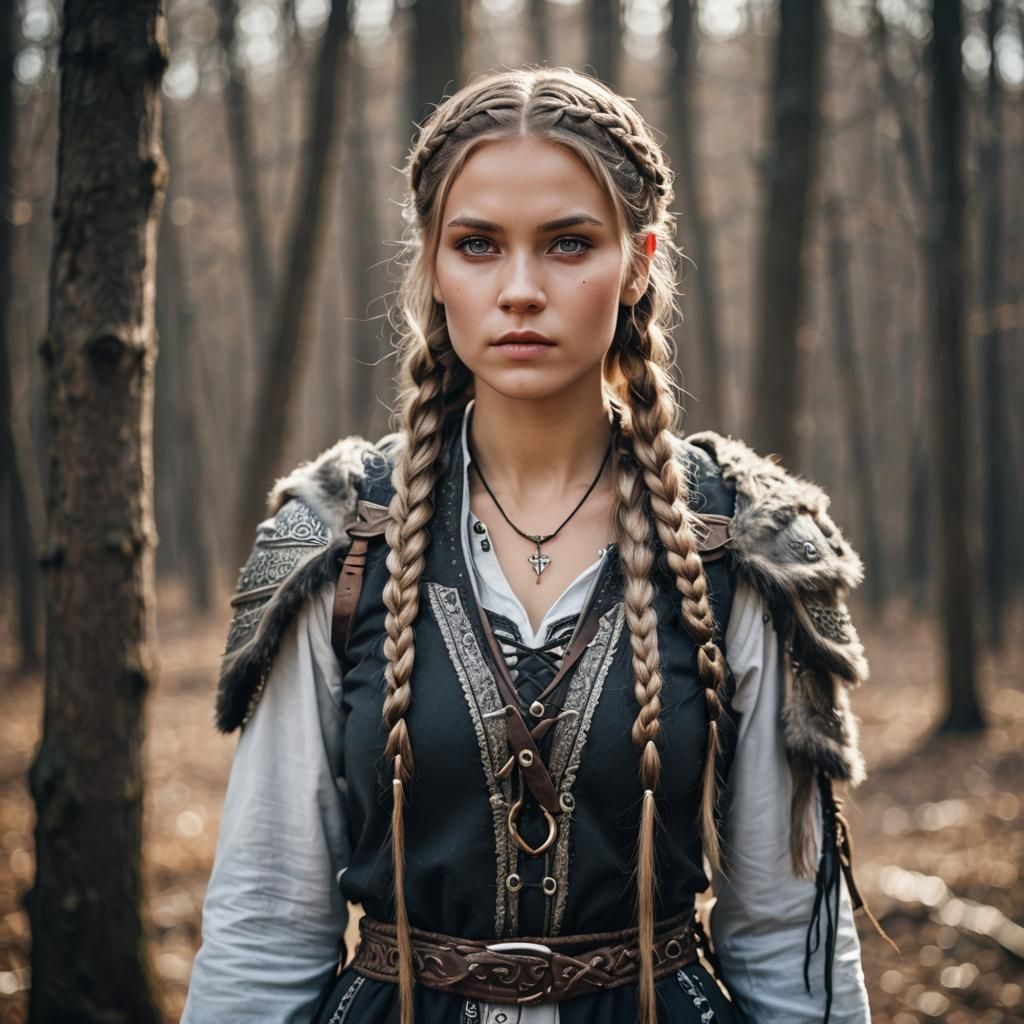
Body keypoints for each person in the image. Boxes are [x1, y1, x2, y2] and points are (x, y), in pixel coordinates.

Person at [182, 66, 878, 1024]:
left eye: (567, 244)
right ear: (431, 263)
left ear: (639, 261)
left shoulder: (744, 547)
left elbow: (787, 932)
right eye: (476, 245)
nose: (519, 290)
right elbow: (266, 922)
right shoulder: (336, 538)